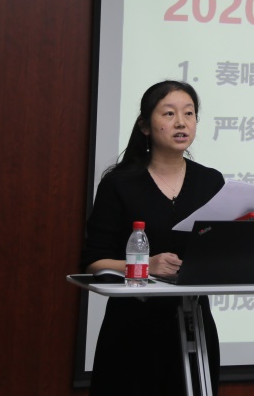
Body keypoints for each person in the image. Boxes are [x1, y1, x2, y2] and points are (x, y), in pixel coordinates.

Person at [81, 80, 224, 395]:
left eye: (189, 113)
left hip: (195, 325)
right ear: (145, 126)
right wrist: (145, 266)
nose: (181, 122)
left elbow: (218, 249)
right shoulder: (119, 184)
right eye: (169, 113)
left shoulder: (210, 181)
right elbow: (94, 261)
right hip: (134, 326)